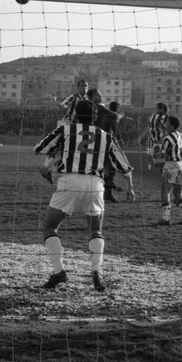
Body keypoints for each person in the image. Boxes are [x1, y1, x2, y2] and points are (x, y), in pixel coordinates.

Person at [33, 99, 135, 292]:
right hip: (95, 184)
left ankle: (59, 271)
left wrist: (60, 150)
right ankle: (97, 271)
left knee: (50, 227)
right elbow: (125, 167)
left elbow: (39, 148)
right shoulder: (105, 136)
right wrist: (130, 188)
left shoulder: (66, 130)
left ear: (75, 115)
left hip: (69, 181)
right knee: (96, 230)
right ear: (95, 117)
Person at [87, 88, 121, 202]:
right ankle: (107, 188)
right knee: (110, 166)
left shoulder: (88, 106)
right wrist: (119, 116)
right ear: (93, 97)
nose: (101, 96)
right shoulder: (99, 107)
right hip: (99, 140)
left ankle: (106, 190)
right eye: (99, 94)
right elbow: (114, 116)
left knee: (103, 166)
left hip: (90, 139)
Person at [158, 116, 182, 226]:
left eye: (167, 123)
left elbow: (162, 153)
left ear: (172, 126)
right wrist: (181, 154)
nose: (165, 125)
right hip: (181, 165)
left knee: (165, 192)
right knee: (178, 193)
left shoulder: (167, 138)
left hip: (171, 165)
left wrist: (155, 153)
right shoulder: (180, 135)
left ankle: (166, 218)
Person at [138, 102, 168, 170]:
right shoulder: (153, 116)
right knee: (149, 154)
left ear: (161, 109)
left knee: (159, 155)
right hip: (151, 138)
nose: (155, 109)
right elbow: (149, 127)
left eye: (156, 108)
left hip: (160, 139)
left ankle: (161, 167)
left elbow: (165, 128)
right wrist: (142, 136)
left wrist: (163, 136)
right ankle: (149, 169)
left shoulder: (165, 117)